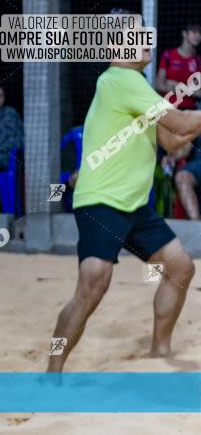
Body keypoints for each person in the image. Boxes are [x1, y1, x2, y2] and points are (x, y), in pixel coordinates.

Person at [47, 48, 201, 372]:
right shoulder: (120, 78)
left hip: (133, 204)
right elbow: (181, 122)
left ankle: (159, 354)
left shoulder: (137, 86)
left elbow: (174, 141)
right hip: (102, 200)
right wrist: (191, 122)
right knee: (93, 284)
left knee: (181, 269)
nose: (147, 43)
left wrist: (191, 128)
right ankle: (52, 373)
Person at [155, 22, 201, 109]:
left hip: (190, 110)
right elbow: (159, 85)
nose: (198, 36)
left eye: (200, 33)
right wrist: (189, 89)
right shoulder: (168, 55)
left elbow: (198, 93)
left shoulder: (198, 61)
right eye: (194, 32)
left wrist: (175, 85)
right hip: (168, 108)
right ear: (184, 34)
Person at [172, 137, 201, 220]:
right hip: (197, 165)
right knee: (182, 177)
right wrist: (170, 158)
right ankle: (196, 223)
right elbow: (185, 148)